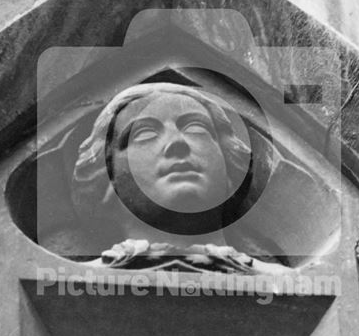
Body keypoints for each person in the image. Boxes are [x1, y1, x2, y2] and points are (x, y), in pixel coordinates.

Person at [71, 82, 290, 274]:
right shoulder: (73, 283)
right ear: (108, 178)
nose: (177, 143)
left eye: (197, 128)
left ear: (230, 173)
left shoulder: (287, 283)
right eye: (144, 133)